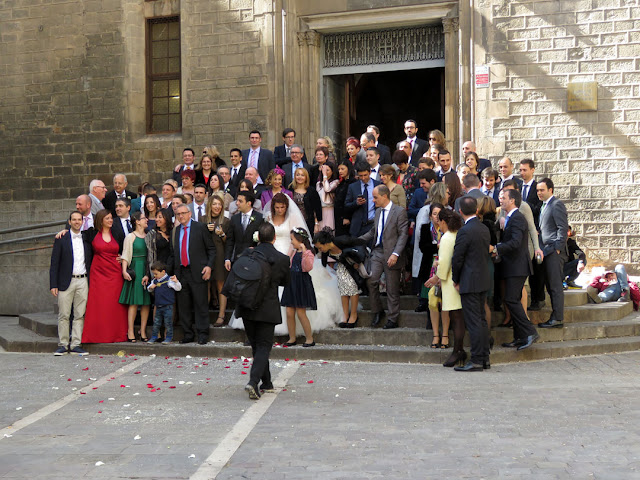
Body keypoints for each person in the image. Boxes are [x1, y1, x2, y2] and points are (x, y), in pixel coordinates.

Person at [231, 223, 290, 400]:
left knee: (257, 346)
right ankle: (253, 381)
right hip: (267, 307)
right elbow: (285, 282)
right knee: (264, 346)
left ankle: (267, 382)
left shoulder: (248, 253)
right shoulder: (282, 259)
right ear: (274, 238)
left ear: (258, 237)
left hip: (247, 304)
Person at [491, 189, 539, 351]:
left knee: (511, 299)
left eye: (503, 198)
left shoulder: (518, 218)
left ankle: (530, 331)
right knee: (512, 299)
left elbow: (516, 243)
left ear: (512, 201)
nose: (501, 200)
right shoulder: (511, 218)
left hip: (517, 267)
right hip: (512, 266)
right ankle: (519, 337)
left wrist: (496, 248)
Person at [358, 185, 409, 329]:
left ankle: (393, 318)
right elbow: (374, 231)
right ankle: (377, 311)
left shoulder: (399, 212)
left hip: (392, 254)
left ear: (385, 196)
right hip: (378, 252)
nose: (373, 200)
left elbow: (403, 234)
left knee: (392, 288)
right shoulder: (378, 212)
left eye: (375, 197)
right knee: (371, 280)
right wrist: (356, 241)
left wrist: (395, 254)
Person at [451, 197, 491, 371]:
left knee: (474, 322)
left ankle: (476, 360)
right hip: (483, 279)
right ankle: (484, 358)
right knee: (481, 321)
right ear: (476, 210)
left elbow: (458, 258)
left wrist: (455, 279)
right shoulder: (483, 228)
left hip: (469, 280)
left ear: (460, 212)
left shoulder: (465, 231)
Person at [425, 208, 469, 367]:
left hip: (450, 283)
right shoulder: (458, 234)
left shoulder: (447, 237)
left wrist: (436, 277)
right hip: (458, 280)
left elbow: (444, 263)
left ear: (443, 221)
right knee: (459, 317)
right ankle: (459, 351)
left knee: (457, 318)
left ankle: (458, 351)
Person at [168, 204, 216, 345]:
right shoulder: (175, 231)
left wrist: (209, 266)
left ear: (190, 214)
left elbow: (212, 249)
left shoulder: (200, 228)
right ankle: (188, 333)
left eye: (183, 213)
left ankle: (202, 334)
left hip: (198, 271)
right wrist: (171, 272)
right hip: (181, 272)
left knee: (200, 303)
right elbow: (173, 254)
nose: (181, 216)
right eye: (178, 214)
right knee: (184, 305)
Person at [50, 211, 92, 356]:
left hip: (83, 280)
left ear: (82, 221)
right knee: (64, 314)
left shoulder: (87, 237)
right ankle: (63, 344)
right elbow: (54, 263)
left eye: (79, 220)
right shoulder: (61, 238)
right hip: (65, 281)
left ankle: (75, 344)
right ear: (69, 222)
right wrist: (53, 284)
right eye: (74, 220)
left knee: (80, 314)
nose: (76, 222)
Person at [82, 209, 129, 343]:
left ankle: (117, 334)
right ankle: (97, 335)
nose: (110, 220)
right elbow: (77, 235)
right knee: (99, 303)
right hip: (98, 273)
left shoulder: (117, 232)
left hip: (115, 273)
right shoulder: (91, 233)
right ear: (101, 220)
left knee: (115, 304)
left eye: (111, 218)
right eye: (107, 218)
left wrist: (122, 257)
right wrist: (65, 231)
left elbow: (124, 248)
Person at [313, 228, 366, 328]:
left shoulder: (342, 240)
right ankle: (345, 315)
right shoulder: (326, 252)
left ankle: (353, 315)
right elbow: (324, 263)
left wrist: (358, 259)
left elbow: (361, 243)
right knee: (343, 289)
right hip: (342, 265)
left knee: (353, 287)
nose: (320, 250)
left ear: (325, 243)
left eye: (320, 247)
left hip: (354, 264)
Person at [536, 178, 569, 329]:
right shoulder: (544, 206)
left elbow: (563, 228)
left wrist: (558, 247)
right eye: (537, 190)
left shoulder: (556, 204)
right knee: (550, 285)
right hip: (547, 250)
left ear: (550, 190)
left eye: (542, 190)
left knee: (555, 285)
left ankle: (557, 318)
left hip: (554, 251)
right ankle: (555, 316)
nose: (539, 193)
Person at [413, 183, 449, 313]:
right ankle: (423, 301)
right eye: (447, 192)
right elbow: (419, 233)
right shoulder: (426, 210)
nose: (448, 195)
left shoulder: (448, 209)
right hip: (428, 255)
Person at [119, 211, 152, 342]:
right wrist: (124, 270)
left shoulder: (149, 236)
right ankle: (130, 331)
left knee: (146, 302)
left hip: (146, 269)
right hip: (135, 268)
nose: (146, 220)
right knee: (134, 302)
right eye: (144, 218)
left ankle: (142, 330)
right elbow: (125, 254)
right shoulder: (130, 237)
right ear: (137, 221)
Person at [281, 228, 317, 347]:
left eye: (292, 239)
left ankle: (309, 338)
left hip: (301, 283)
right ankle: (292, 338)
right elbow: (288, 262)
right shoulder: (294, 251)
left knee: (301, 312)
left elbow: (307, 267)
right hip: (291, 282)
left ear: (300, 240)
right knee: (289, 312)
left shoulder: (308, 253)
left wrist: (304, 251)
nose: (291, 242)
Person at [205, 195, 231, 326]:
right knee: (206, 285)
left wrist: (222, 234)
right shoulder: (203, 220)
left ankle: (221, 315)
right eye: (214, 204)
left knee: (221, 284)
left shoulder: (226, 221)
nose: (217, 207)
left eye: (219, 204)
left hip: (220, 254)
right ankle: (204, 314)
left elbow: (229, 242)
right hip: (206, 256)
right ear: (210, 205)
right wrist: (206, 230)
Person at [420, 203, 445, 342]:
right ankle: (431, 321)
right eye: (434, 214)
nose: (436, 217)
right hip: (429, 263)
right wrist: (437, 246)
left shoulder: (446, 229)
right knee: (428, 294)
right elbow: (423, 246)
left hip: (443, 263)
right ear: (430, 216)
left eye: (439, 214)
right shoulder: (425, 228)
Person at [225, 192, 263, 269]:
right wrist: (227, 258)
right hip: (237, 258)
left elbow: (262, 240)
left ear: (248, 203)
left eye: (240, 201)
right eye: (237, 200)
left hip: (254, 259)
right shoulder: (234, 218)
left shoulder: (259, 218)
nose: (237, 203)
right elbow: (230, 240)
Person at [146, 261, 182, 344]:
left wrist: (176, 281)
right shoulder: (155, 281)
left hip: (168, 306)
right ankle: (154, 336)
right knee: (156, 323)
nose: (155, 276)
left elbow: (178, 288)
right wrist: (151, 287)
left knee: (168, 323)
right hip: (158, 306)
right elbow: (149, 288)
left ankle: (168, 337)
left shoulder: (169, 280)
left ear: (163, 272)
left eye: (156, 274)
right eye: (153, 274)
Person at [345, 161, 380, 237]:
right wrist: (356, 203)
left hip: (373, 224)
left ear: (370, 172)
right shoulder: (353, 187)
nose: (363, 178)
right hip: (357, 226)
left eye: (365, 175)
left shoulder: (378, 185)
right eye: (361, 176)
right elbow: (347, 205)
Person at [290, 166, 323, 235]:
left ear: (306, 177)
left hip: (308, 223)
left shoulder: (311, 191)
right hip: (293, 222)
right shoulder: (290, 190)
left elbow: (316, 208)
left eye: (302, 175)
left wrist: (316, 224)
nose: (300, 177)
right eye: (298, 175)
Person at [334, 160, 356, 237]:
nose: (340, 171)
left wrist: (347, 217)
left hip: (346, 216)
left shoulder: (352, 182)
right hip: (338, 215)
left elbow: (350, 200)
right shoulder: (342, 182)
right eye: (339, 169)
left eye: (342, 169)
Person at [316, 162, 339, 231]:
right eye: (324, 170)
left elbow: (327, 189)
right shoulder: (318, 183)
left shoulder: (335, 182)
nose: (325, 172)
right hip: (320, 209)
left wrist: (325, 176)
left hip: (330, 209)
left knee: (329, 230)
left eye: (327, 170)